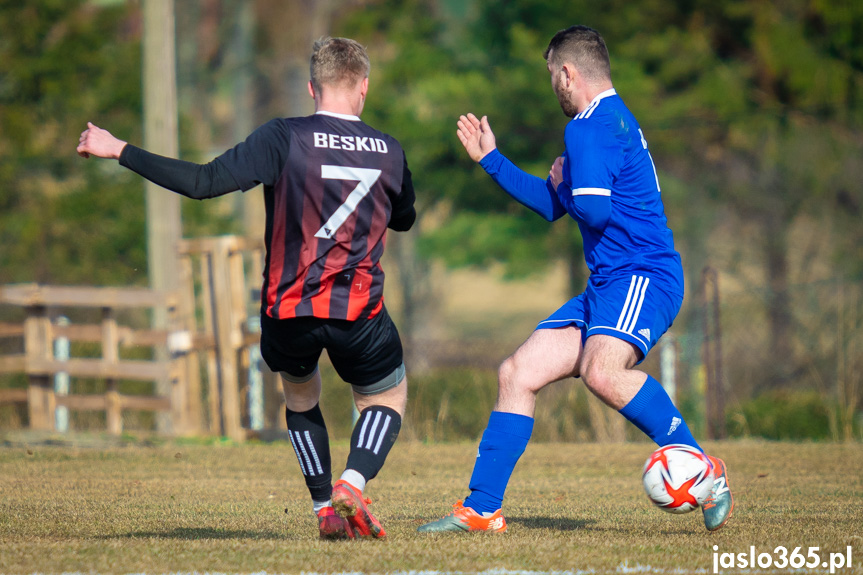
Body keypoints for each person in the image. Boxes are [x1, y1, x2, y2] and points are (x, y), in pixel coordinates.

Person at [78, 37, 415, 541]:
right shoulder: (390, 150)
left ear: (311, 88)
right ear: (364, 86)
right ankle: (353, 481)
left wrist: (120, 149)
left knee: (301, 397)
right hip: (358, 311)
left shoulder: (284, 137)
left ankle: (325, 507)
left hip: (288, 309)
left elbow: (203, 182)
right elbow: (405, 218)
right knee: (386, 397)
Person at [418, 25, 732, 534]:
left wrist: (566, 185)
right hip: (611, 283)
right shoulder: (608, 119)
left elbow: (591, 209)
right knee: (516, 373)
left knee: (602, 371)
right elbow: (554, 205)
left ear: (568, 73)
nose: (552, 88)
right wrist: (492, 162)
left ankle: (703, 468)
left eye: (551, 77)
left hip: (642, 276)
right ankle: (482, 508)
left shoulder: (592, 126)